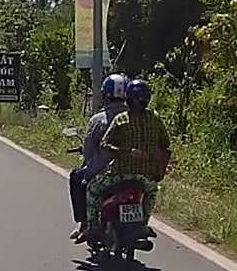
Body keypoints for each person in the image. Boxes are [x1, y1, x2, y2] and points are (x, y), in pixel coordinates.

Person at [80, 78, 171, 244]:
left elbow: (105, 145)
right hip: (145, 177)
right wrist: (159, 170)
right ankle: (143, 223)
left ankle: (93, 227)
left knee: (92, 189)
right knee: (152, 192)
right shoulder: (155, 119)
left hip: (121, 175)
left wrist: (125, 152)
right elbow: (166, 147)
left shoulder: (121, 119)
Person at [68, 74, 127, 240]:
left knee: (77, 178)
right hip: (132, 170)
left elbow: (88, 151)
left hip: (102, 173)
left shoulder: (98, 120)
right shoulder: (134, 118)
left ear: (105, 96)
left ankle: (85, 224)